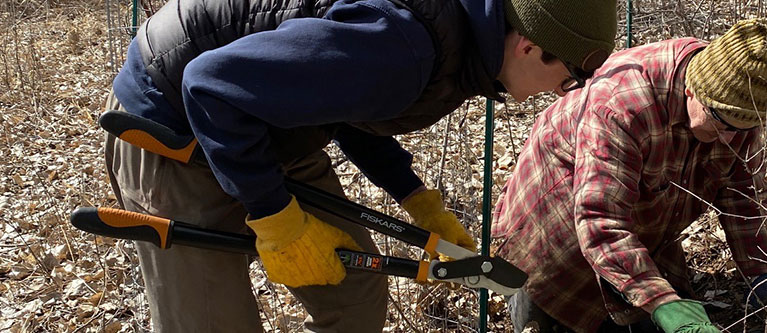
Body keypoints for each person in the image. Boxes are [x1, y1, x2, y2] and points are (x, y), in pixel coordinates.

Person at [101, 0, 617, 331]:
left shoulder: (458, 46)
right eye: (568, 79)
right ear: (529, 45)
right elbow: (209, 84)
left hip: (264, 123)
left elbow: (351, 102)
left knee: (353, 296)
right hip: (175, 120)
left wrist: (416, 199)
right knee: (212, 322)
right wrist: (275, 216)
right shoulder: (406, 45)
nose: (560, 93)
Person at [491, 18, 767, 332]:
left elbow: (744, 195)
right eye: (719, 121)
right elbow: (600, 221)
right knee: (549, 309)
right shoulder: (623, 103)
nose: (728, 136)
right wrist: (663, 304)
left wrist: (762, 271)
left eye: (739, 128)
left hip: (642, 221)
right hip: (555, 217)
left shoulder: (739, 108)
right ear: (691, 90)